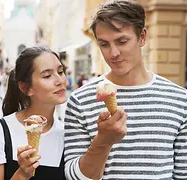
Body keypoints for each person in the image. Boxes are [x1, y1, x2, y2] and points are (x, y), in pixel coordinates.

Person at [64, 1, 187, 180]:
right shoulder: (80, 100)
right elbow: (73, 177)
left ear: (142, 37)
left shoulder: (179, 100)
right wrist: (103, 141)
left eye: (122, 41)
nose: (113, 53)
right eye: (104, 44)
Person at [0, 47, 67, 180]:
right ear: (25, 88)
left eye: (60, 71)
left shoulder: (68, 135)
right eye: (47, 76)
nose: (60, 81)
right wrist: (22, 174)